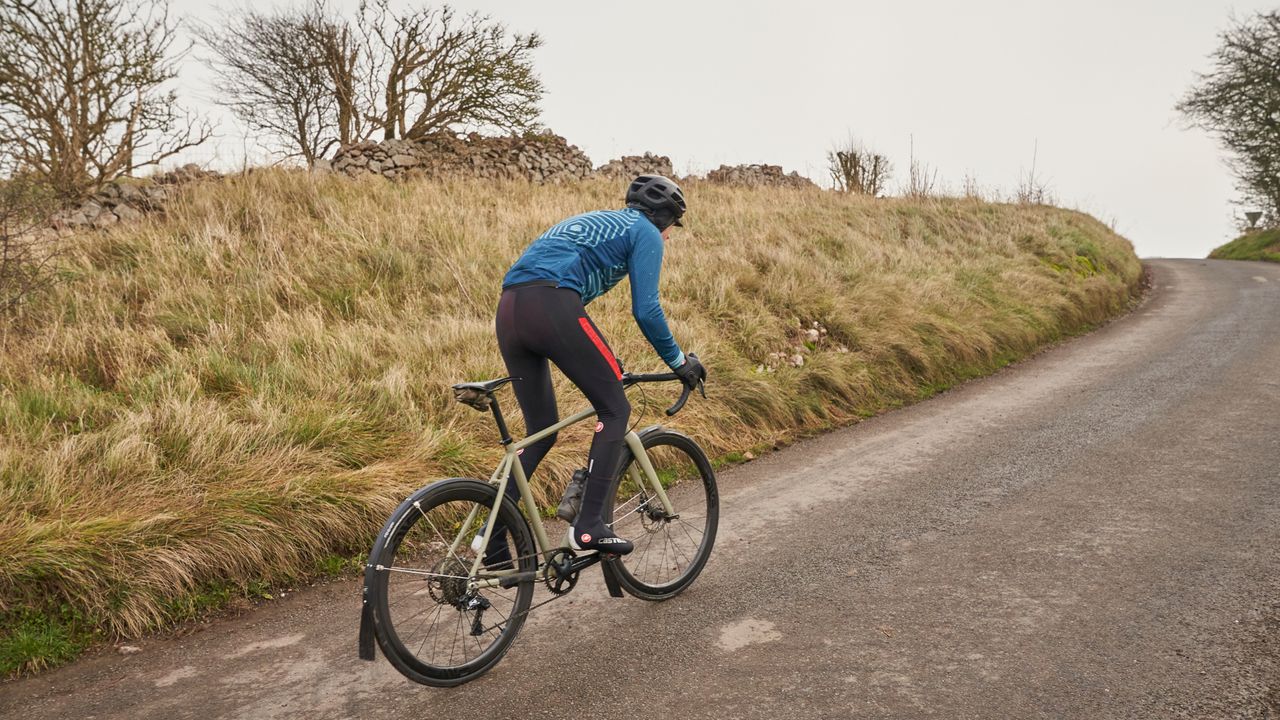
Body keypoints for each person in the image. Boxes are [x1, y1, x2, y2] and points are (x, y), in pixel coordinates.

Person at [491, 174, 706, 558]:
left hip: (510, 310)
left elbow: (564, 304)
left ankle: (489, 541)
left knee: (540, 432)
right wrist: (678, 362)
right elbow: (647, 309)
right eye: (673, 227)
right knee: (616, 408)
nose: (670, 236)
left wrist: (605, 357)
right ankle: (588, 527)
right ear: (663, 217)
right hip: (551, 305)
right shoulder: (646, 232)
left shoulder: (600, 221)